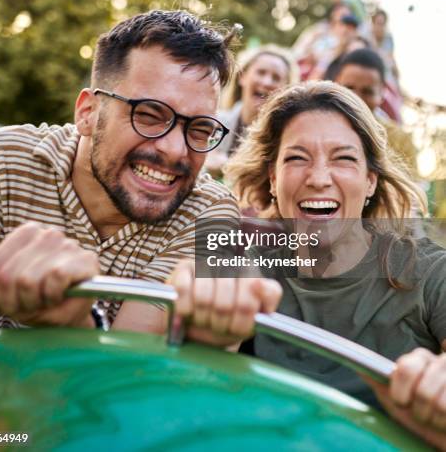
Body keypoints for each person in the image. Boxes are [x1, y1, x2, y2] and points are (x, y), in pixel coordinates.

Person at [0, 10, 278, 335]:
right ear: (87, 113)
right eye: (150, 114)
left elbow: (131, 365)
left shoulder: (208, 210)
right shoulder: (6, 157)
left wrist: (74, 319)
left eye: (199, 129)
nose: (176, 150)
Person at [170, 82, 446, 449]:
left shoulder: (429, 271)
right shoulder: (243, 269)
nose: (318, 178)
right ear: (273, 179)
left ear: (369, 182)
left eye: (343, 158)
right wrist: (208, 336)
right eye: (297, 158)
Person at [205, 44, 297, 178]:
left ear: (285, 90)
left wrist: (226, 166)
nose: (266, 82)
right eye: (261, 72)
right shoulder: (213, 121)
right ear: (243, 77)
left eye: (276, 78)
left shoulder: (284, 139)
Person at [331, 48, 417, 176]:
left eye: (367, 92)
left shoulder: (399, 141)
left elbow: (412, 192)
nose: (356, 99)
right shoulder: (314, 129)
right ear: (335, 84)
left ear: (382, 93)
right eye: (349, 88)